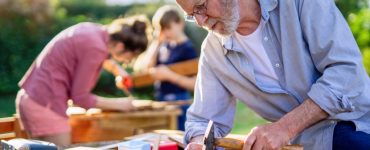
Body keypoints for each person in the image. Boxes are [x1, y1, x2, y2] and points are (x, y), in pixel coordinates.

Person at [175, 0, 370, 149]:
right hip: (302, 145)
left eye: (200, 6)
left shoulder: (299, 3)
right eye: (191, 15)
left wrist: (284, 128)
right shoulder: (213, 52)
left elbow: (346, 72)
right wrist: (199, 140)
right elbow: (203, 120)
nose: (200, 22)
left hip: (359, 125)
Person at [15, 15, 151, 146]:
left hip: (31, 99)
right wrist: (121, 104)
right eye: (131, 57)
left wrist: (116, 69)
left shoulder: (95, 31)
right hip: (45, 106)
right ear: (121, 46)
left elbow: (87, 52)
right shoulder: (96, 48)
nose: (128, 61)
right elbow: (80, 98)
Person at [137, 5, 198, 131]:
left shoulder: (188, 49)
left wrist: (169, 75)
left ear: (180, 23)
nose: (166, 33)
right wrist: (157, 42)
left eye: (168, 28)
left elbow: (195, 84)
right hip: (161, 100)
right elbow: (147, 67)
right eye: (162, 30)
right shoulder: (163, 47)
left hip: (180, 102)